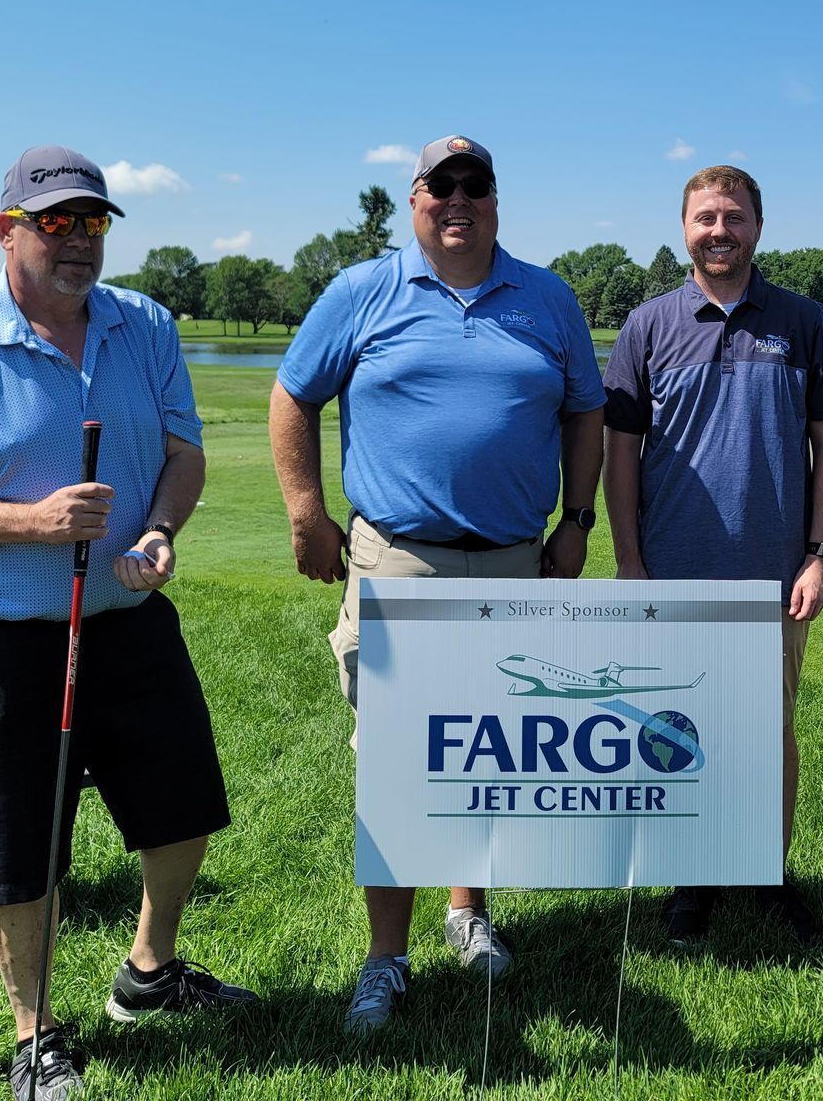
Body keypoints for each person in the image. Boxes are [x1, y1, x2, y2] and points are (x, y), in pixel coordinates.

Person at [0, 146, 253, 1101]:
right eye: (56, 222)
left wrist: (161, 530)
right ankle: (34, 1031)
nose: (79, 241)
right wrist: (33, 523)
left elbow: (183, 452)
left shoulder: (146, 324)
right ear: (9, 230)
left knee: (182, 813)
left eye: (93, 223)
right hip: (4, 638)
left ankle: (149, 972)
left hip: (128, 617)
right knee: (20, 847)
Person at [268, 134, 605, 1034]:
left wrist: (577, 522)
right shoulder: (363, 290)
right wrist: (307, 512)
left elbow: (585, 412)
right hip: (397, 558)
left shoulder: (548, 297)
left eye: (476, 185)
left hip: (512, 556)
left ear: (497, 200)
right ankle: (386, 958)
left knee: (492, 749)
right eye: (439, 185)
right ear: (414, 200)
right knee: (396, 761)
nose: (458, 199)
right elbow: (293, 395)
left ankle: (468, 912)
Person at [602, 164, 823, 946]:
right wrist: (629, 559)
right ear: (684, 228)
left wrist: (820, 554)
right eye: (706, 217)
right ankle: (693, 877)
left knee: (768, 730)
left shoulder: (802, 320)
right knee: (680, 727)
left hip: (776, 576)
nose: (720, 230)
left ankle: (766, 873)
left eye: (734, 216)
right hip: (672, 571)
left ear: (757, 226)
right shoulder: (647, 326)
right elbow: (619, 452)